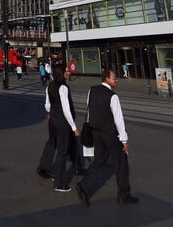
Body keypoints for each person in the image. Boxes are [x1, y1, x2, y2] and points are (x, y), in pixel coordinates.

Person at [75, 68, 138, 206]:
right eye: (114, 78)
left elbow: (89, 109)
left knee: (99, 161)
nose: (116, 80)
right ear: (107, 79)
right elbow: (118, 119)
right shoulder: (112, 96)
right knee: (121, 163)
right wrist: (124, 139)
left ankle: (84, 186)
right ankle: (124, 194)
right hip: (110, 133)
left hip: (96, 132)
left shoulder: (92, 90)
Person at [36, 63, 80, 193]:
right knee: (62, 151)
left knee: (52, 142)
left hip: (53, 120)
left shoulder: (50, 86)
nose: (69, 72)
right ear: (61, 73)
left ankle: (73, 165)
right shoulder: (63, 88)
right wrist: (74, 127)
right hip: (63, 122)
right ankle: (59, 182)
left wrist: (51, 114)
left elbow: (47, 105)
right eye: (66, 70)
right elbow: (66, 109)